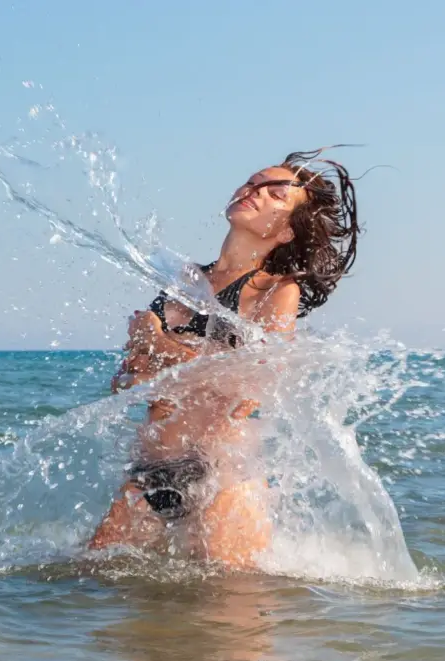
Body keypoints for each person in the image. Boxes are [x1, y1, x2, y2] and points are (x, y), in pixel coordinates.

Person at [88, 148, 361, 570]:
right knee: (105, 603)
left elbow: (249, 384)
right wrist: (141, 359)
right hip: (149, 472)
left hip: (220, 479)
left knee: (228, 624)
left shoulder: (275, 291)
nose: (256, 191)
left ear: (286, 231)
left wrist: (158, 344)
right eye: (254, 182)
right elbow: (138, 376)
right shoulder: (186, 280)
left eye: (275, 194)